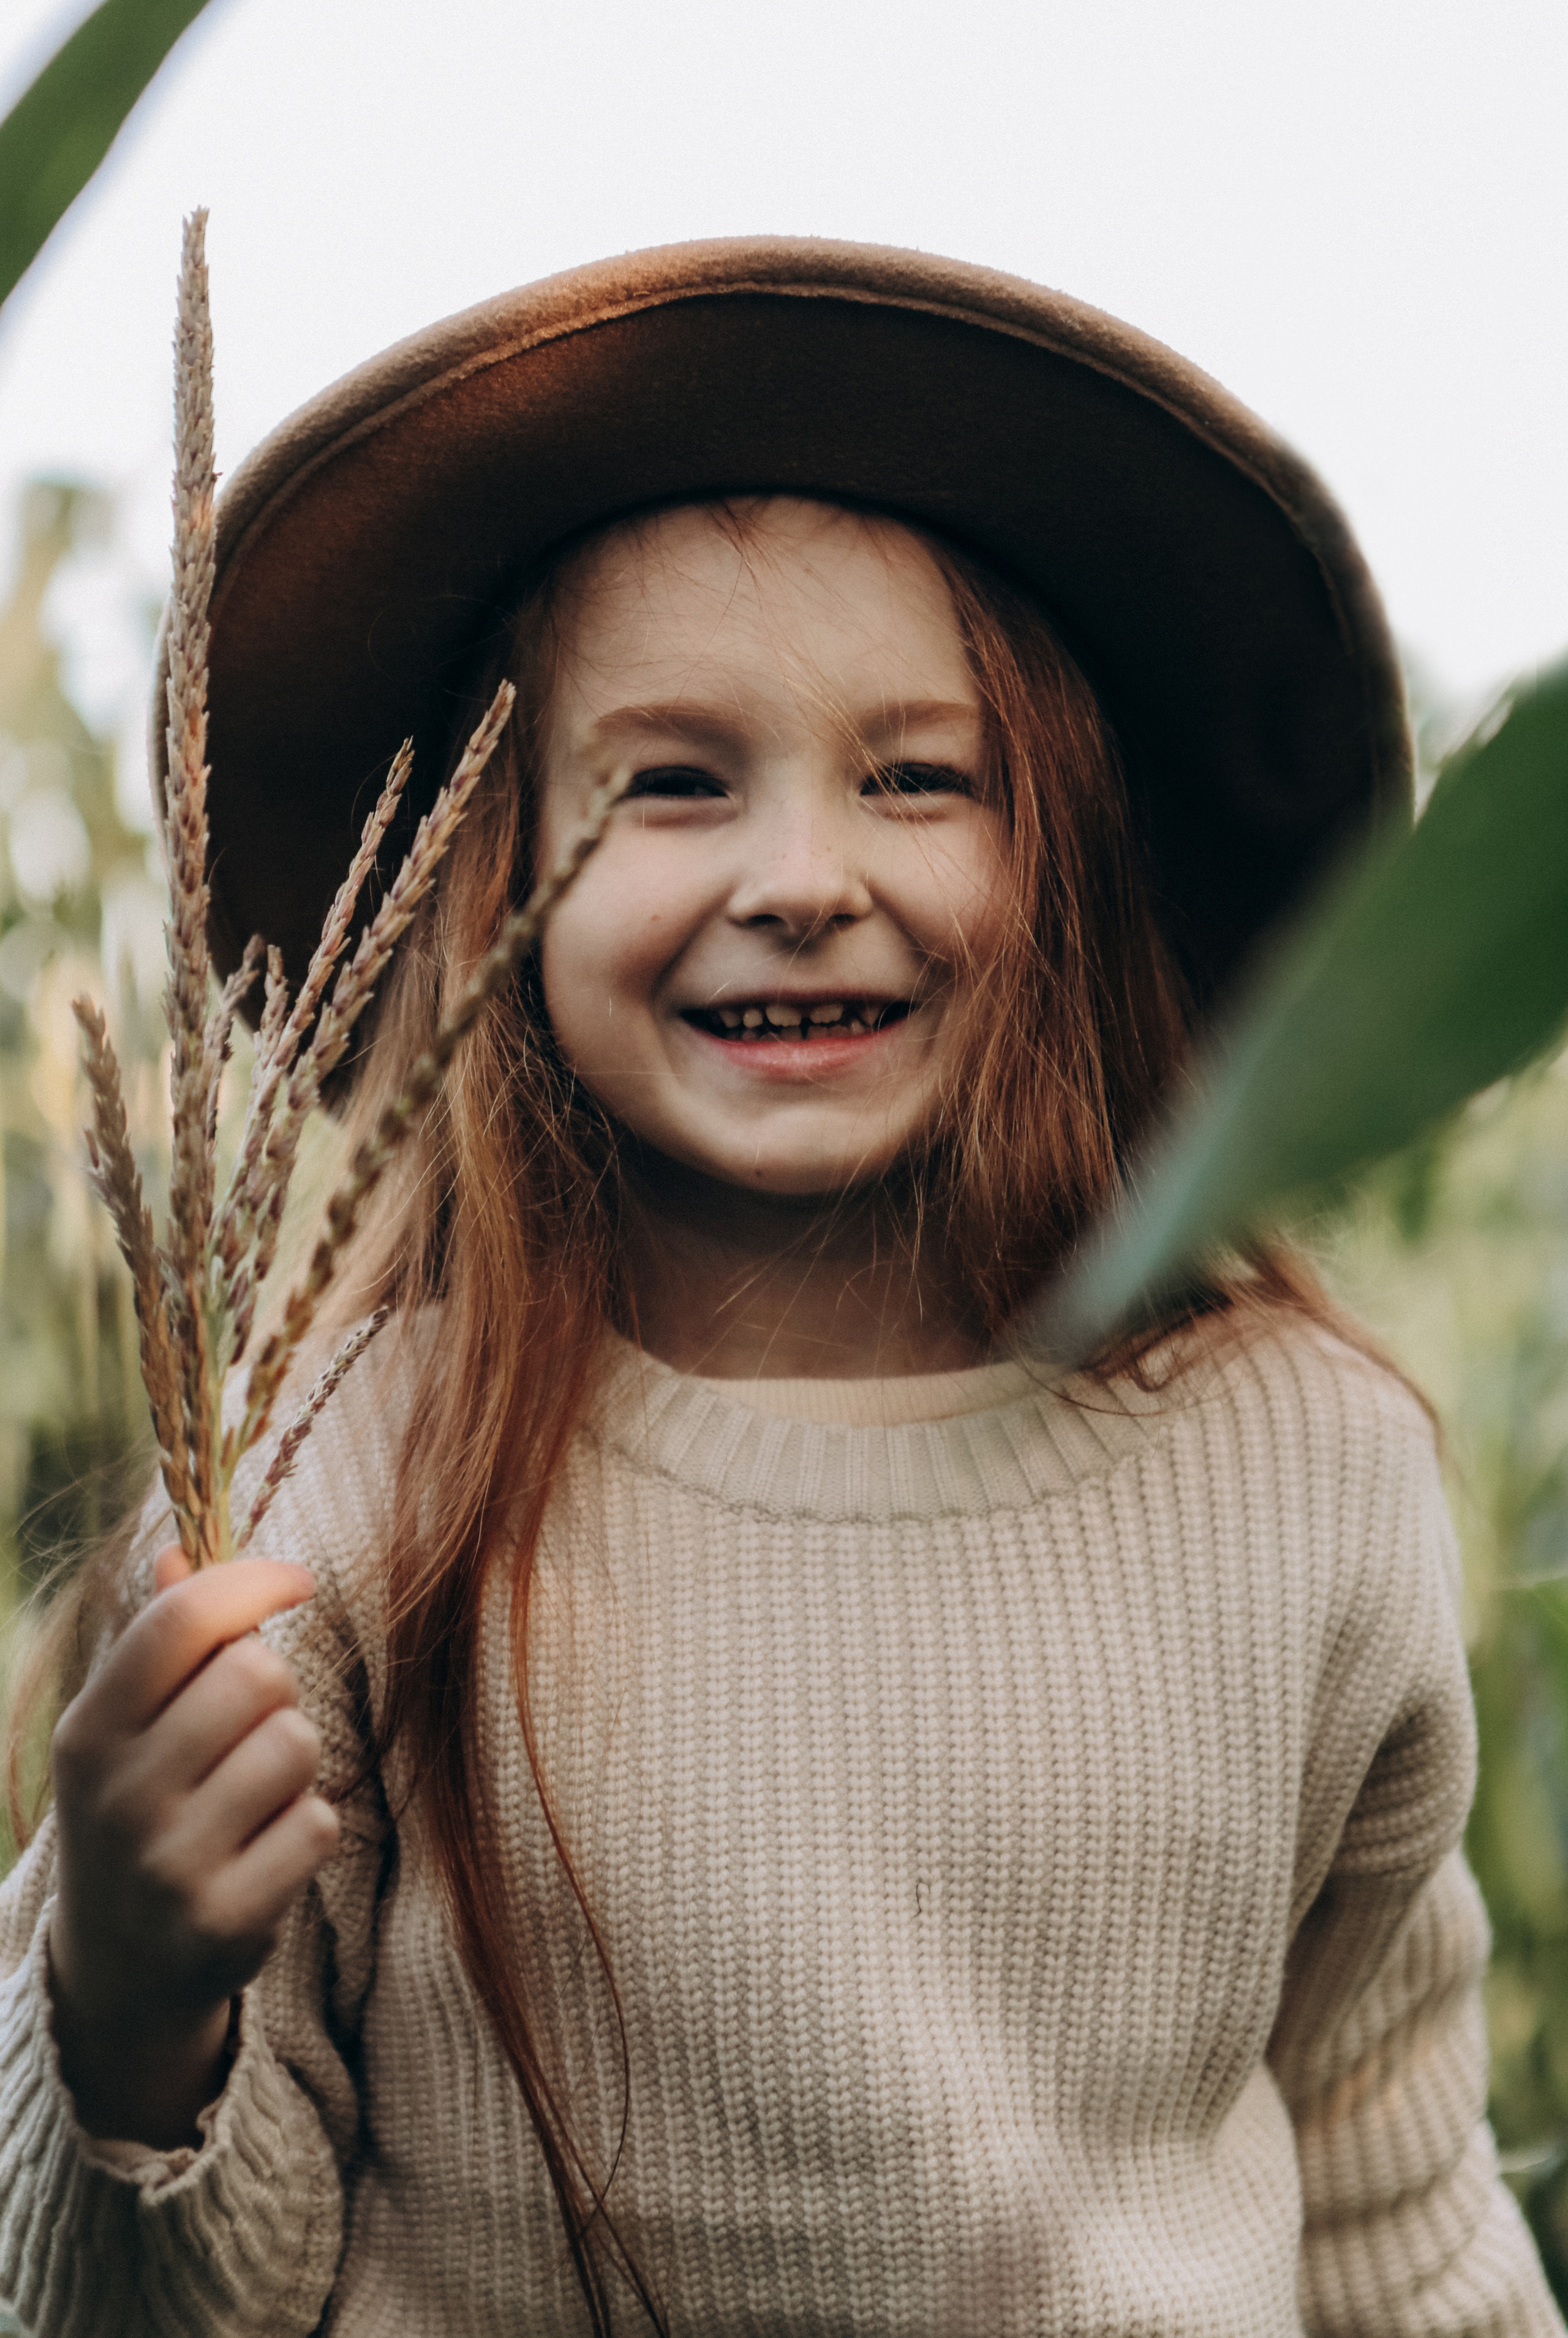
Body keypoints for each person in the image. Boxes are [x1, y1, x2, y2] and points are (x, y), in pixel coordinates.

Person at [0, 238, 1559, 2338]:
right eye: (673, 782)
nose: (805, 881)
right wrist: (127, 2008)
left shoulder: (1306, 1469)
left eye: (919, 777)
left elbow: (1391, 2193)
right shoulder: (342, 1487)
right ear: (496, 870)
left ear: (1067, 852)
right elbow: (169, 2302)